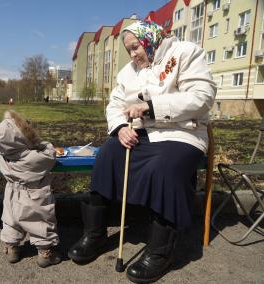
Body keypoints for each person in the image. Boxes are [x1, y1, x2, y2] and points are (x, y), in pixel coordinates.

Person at [67, 20, 216, 283]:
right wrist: (121, 127)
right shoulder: (128, 72)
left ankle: (161, 251)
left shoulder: (185, 52)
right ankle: (95, 234)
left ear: (150, 39)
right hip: (142, 132)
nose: (133, 54)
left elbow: (202, 97)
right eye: (129, 50)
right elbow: (114, 105)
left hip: (183, 133)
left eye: (135, 47)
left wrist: (151, 107)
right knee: (107, 156)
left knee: (165, 168)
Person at [0, 110, 61, 268]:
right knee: (40, 221)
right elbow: (50, 152)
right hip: (35, 194)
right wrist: (39, 143)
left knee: (10, 221)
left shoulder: (0, 156)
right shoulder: (37, 158)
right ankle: (45, 253)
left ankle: (11, 248)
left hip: (11, 195)